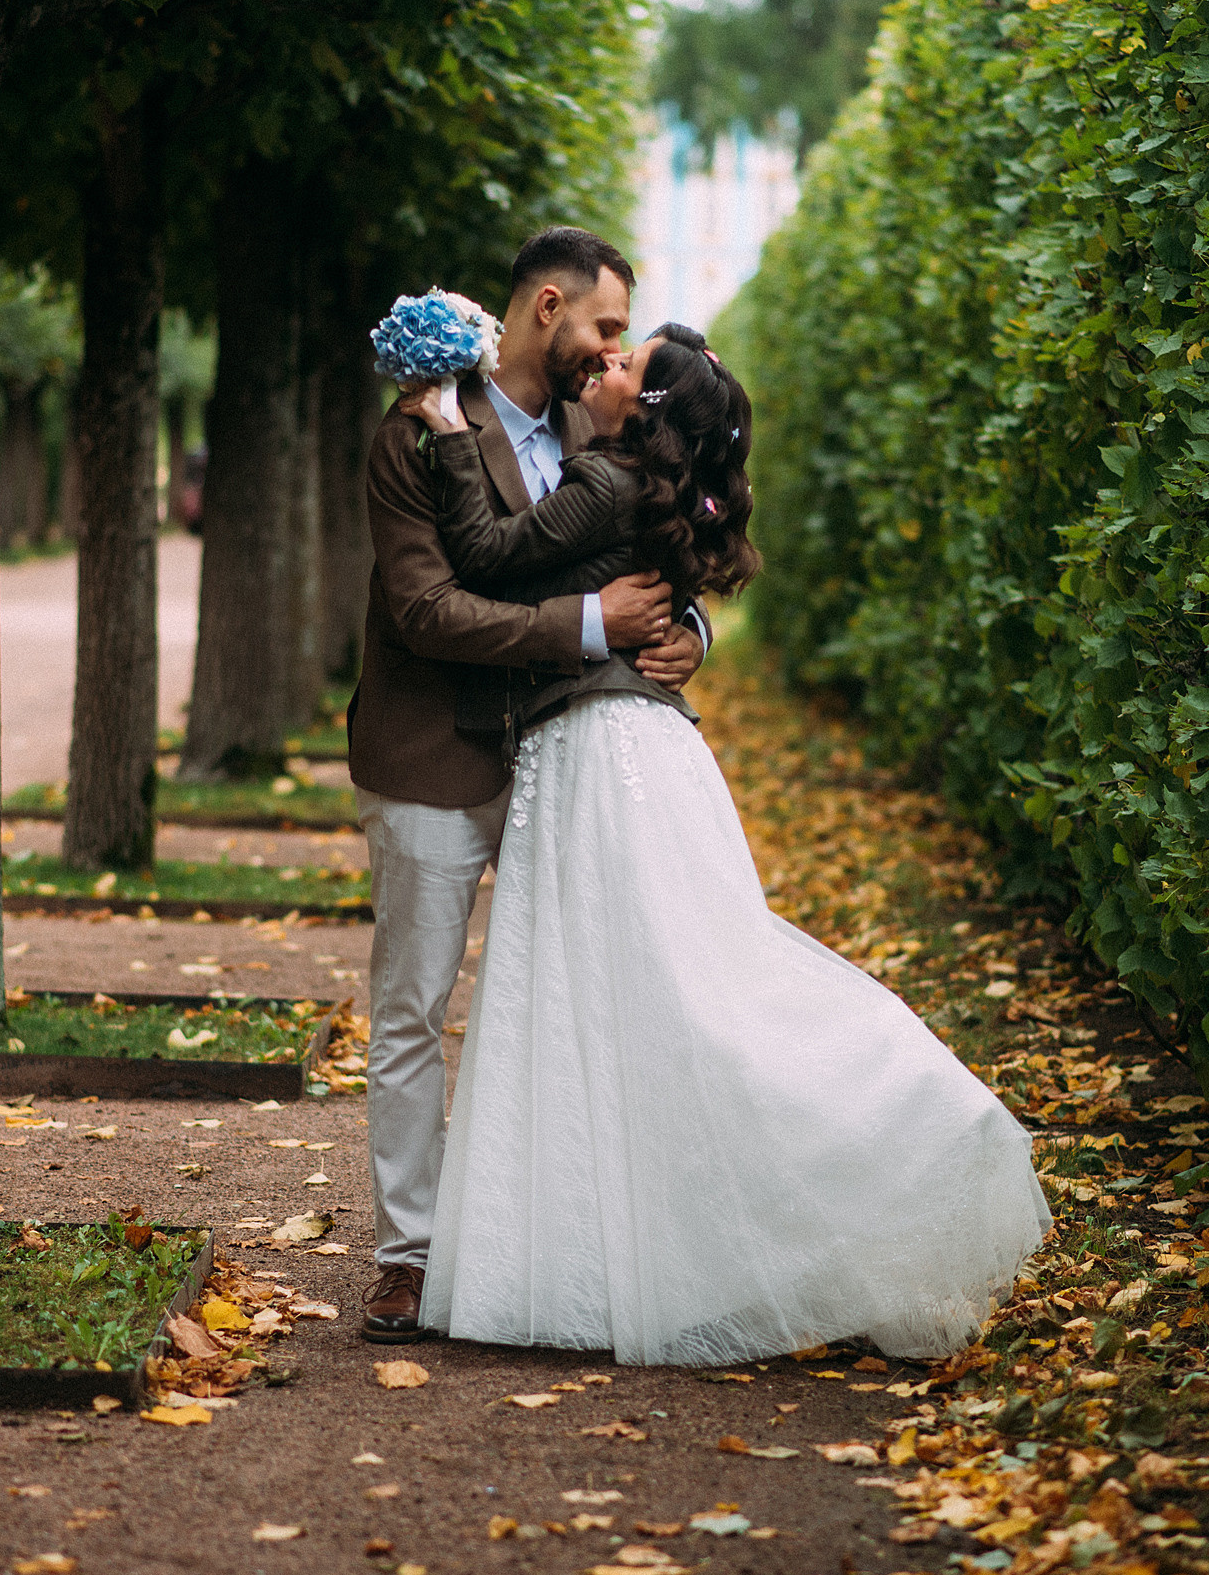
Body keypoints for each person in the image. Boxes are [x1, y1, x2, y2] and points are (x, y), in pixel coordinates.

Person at [396, 324, 1052, 1366]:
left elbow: (486, 554)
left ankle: (887, 1122)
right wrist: (683, 628)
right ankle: (618, 1251)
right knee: (645, 996)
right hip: (635, 752)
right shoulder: (625, 477)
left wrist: (438, 430)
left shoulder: (607, 481)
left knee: (654, 998)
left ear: (646, 409)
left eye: (623, 363)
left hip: (601, 755)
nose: (603, 364)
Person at [352, 227, 713, 1344]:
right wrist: (590, 625)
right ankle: (408, 1253)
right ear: (546, 307)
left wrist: (689, 632)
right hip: (433, 755)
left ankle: (564, 1241)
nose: (615, 352)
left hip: (571, 762)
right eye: (606, 328)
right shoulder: (416, 432)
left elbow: (653, 549)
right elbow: (426, 611)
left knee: (576, 1005)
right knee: (413, 1008)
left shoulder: (605, 427)